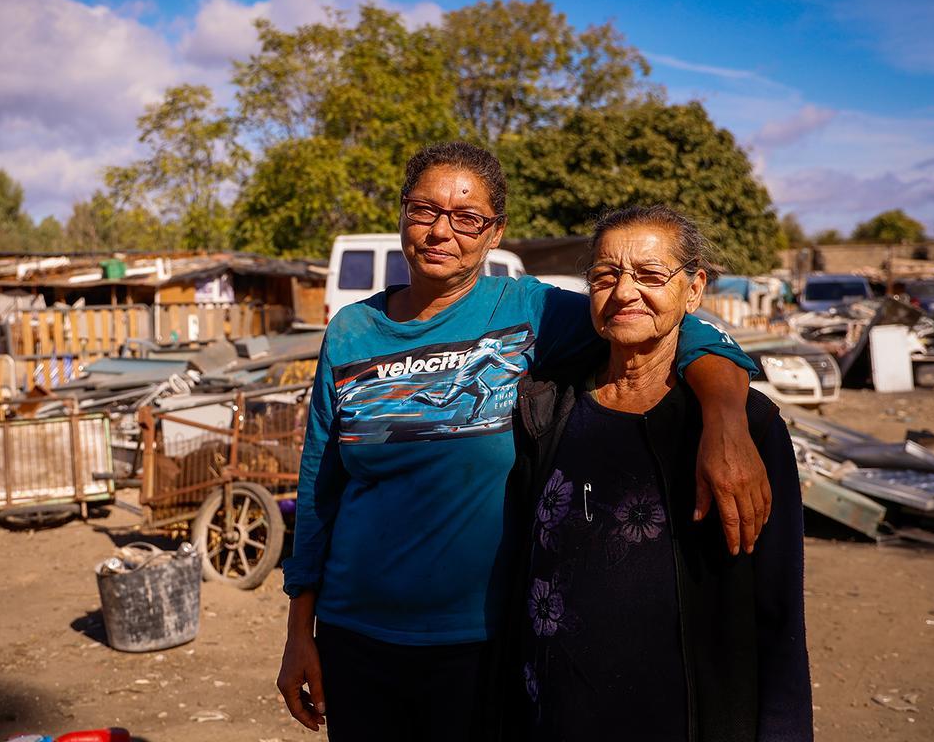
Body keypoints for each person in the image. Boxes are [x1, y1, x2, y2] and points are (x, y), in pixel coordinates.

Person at [277, 141, 772, 741]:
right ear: (402, 214)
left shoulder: (531, 313)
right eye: (424, 210)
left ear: (494, 233)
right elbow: (319, 488)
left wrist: (726, 423)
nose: (440, 231)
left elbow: (687, 328)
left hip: (486, 638)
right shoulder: (351, 330)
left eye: (467, 219)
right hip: (356, 635)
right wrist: (300, 632)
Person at [508, 205, 811, 741]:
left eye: (650, 275)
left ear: (694, 290)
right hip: (557, 716)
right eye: (606, 275)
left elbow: (778, 609)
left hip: (689, 717)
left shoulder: (748, 430)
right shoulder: (548, 410)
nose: (625, 292)